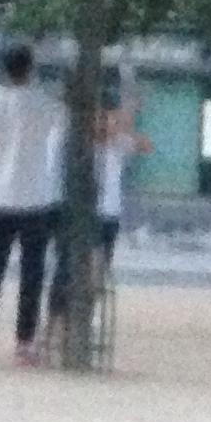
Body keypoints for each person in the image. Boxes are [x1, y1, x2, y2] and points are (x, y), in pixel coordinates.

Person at [0, 45, 65, 366]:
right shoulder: (45, 103)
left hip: (0, 197)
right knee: (32, 275)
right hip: (36, 197)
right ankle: (24, 342)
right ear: (31, 68)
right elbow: (65, 127)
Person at [49, 104, 153, 357]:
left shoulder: (117, 144)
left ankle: (81, 321)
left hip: (108, 216)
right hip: (78, 213)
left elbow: (145, 146)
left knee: (97, 274)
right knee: (65, 270)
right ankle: (56, 326)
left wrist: (123, 126)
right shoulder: (74, 143)